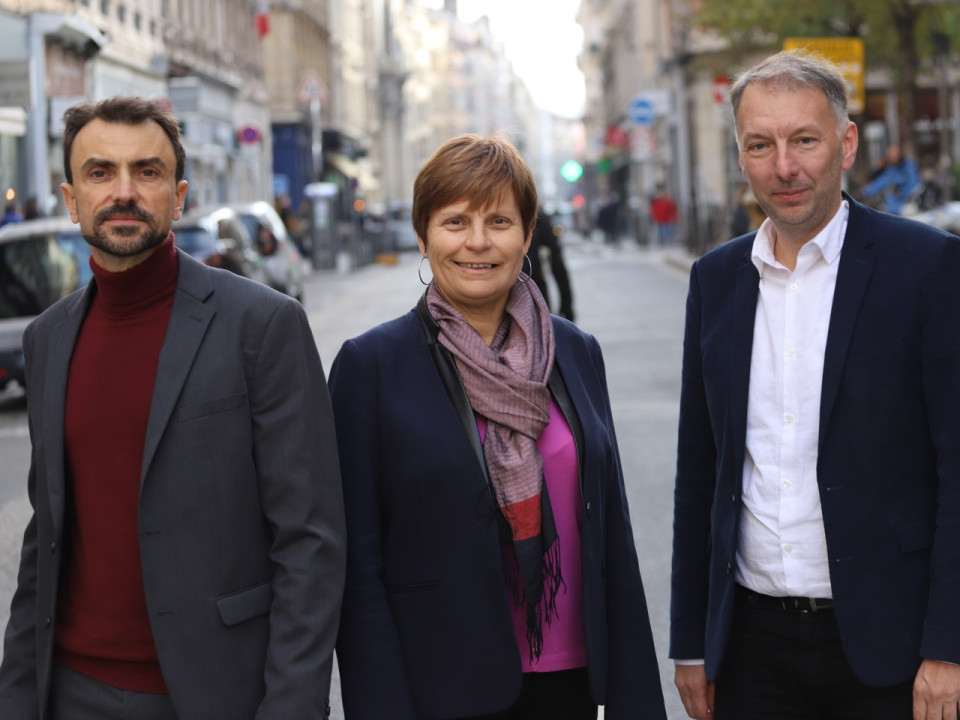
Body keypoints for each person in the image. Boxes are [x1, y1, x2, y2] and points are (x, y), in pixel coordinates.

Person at [0, 96, 346, 720]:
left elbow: (311, 542)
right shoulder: (47, 339)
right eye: (101, 172)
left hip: (214, 693)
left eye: (148, 172)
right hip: (69, 690)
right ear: (71, 198)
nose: (124, 191)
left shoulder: (263, 326)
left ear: (180, 196)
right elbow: (44, 539)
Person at [329, 134, 666, 720]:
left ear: (527, 233)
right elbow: (358, 565)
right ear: (423, 233)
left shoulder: (575, 351)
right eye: (455, 221)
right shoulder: (372, 366)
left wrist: (639, 698)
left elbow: (611, 532)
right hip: (438, 687)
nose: (478, 242)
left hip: (570, 682)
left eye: (500, 220)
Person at [670, 49, 960, 720]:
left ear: (846, 143)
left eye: (804, 139)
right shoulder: (715, 281)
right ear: (740, 157)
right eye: (760, 145)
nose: (785, 166)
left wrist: (949, 646)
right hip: (749, 648)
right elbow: (700, 469)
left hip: (890, 646)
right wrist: (692, 642)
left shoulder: (927, 268)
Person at [529, 206, 575, 321]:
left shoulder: (538, 217)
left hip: (535, 293)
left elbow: (558, 267)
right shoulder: (537, 216)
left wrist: (566, 308)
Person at [857, 143, 920, 215]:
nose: (890, 158)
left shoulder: (908, 166)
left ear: (899, 154)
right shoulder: (892, 168)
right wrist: (863, 192)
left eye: (892, 155)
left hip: (910, 204)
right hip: (894, 206)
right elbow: (881, 181)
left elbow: (913, 184)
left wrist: (900, 192)